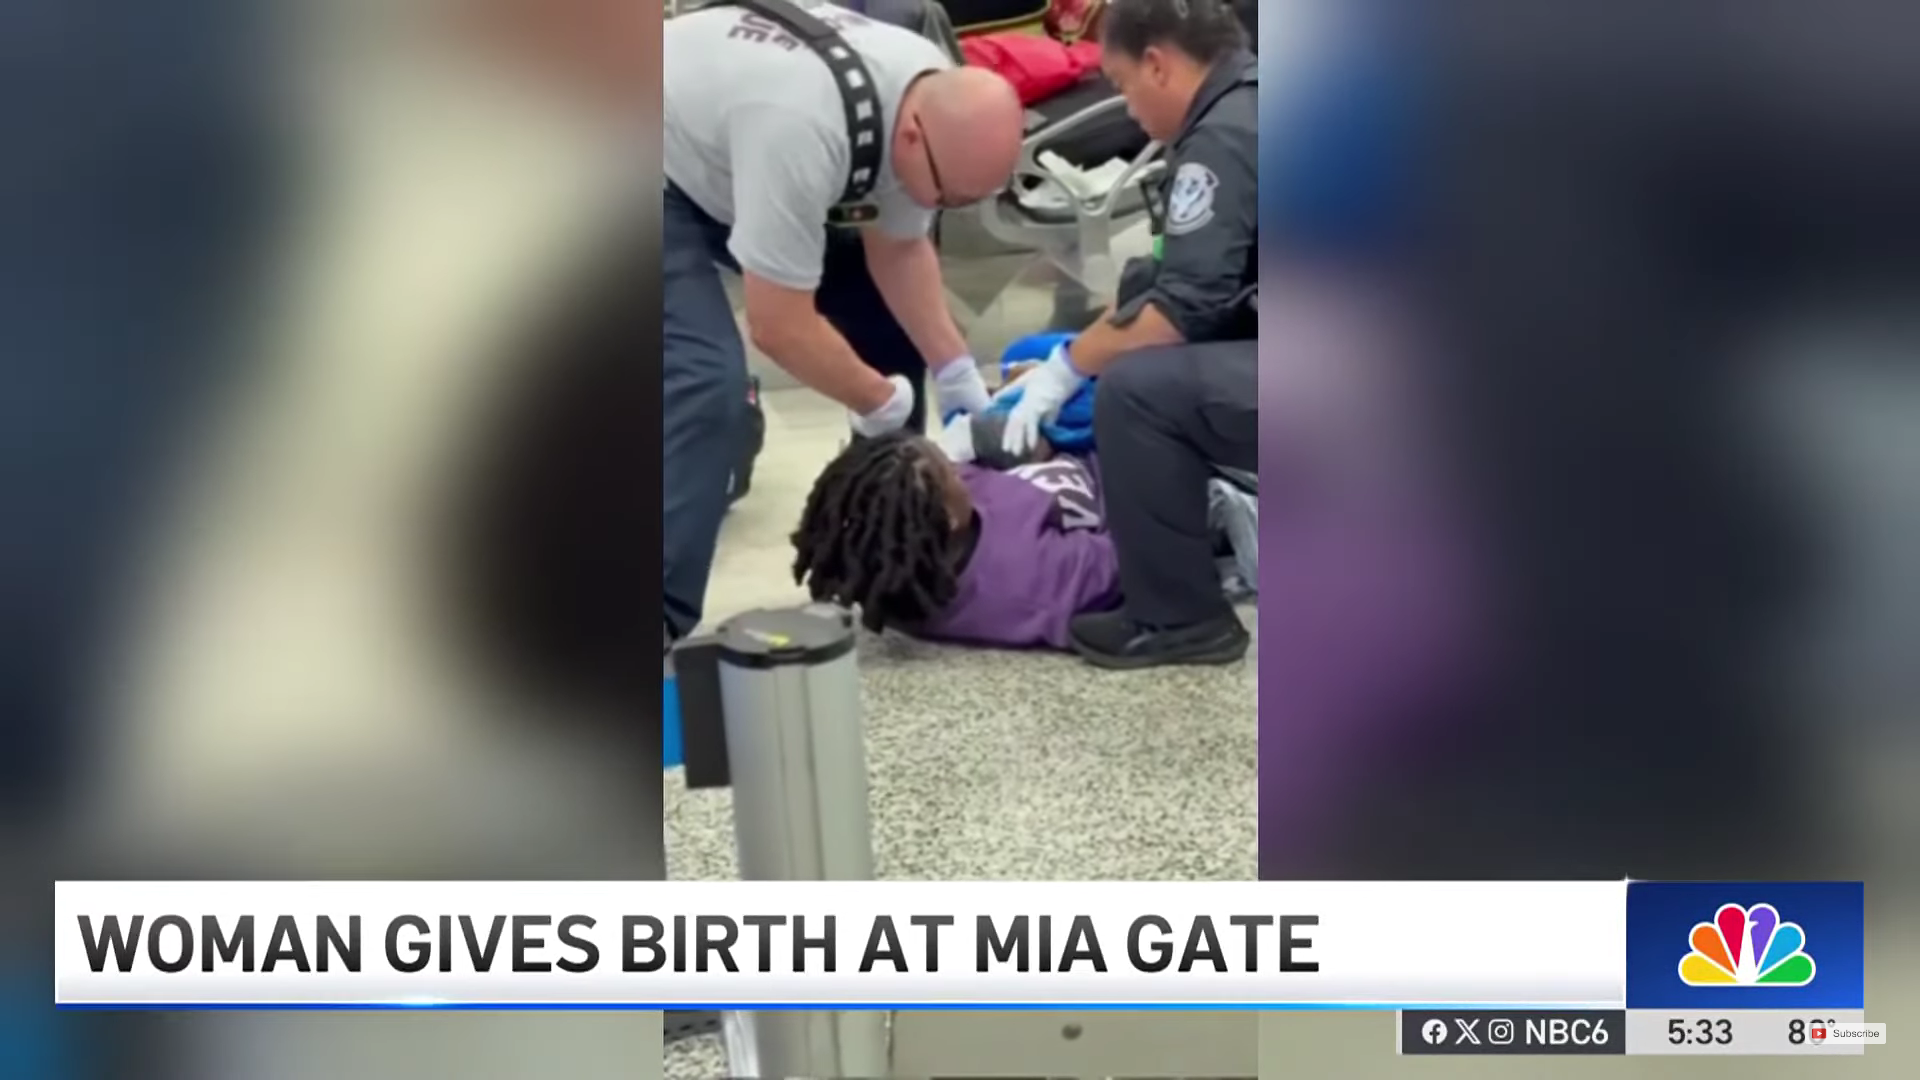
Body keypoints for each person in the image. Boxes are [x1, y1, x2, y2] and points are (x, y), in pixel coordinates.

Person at [660, 0, 1025, 643]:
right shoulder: (800, 125)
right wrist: (879, 399)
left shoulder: (924, 81)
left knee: (880, 316)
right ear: (912, 136)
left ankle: (882, 550)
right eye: (949, 198)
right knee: (706, 382)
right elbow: (779, 326)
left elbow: (902, 245)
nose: (946, 208)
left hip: (725, 151)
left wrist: (957, 369)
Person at [985, 0, 1257, 669]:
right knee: (1138, 339)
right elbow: (1189, 282)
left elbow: (1181, 311)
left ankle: (1178, 619)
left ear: (1158, 65)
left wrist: (1066, 370)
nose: (1128, 106)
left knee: (1138, 391)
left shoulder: (1223, 136)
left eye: (1123, 83)